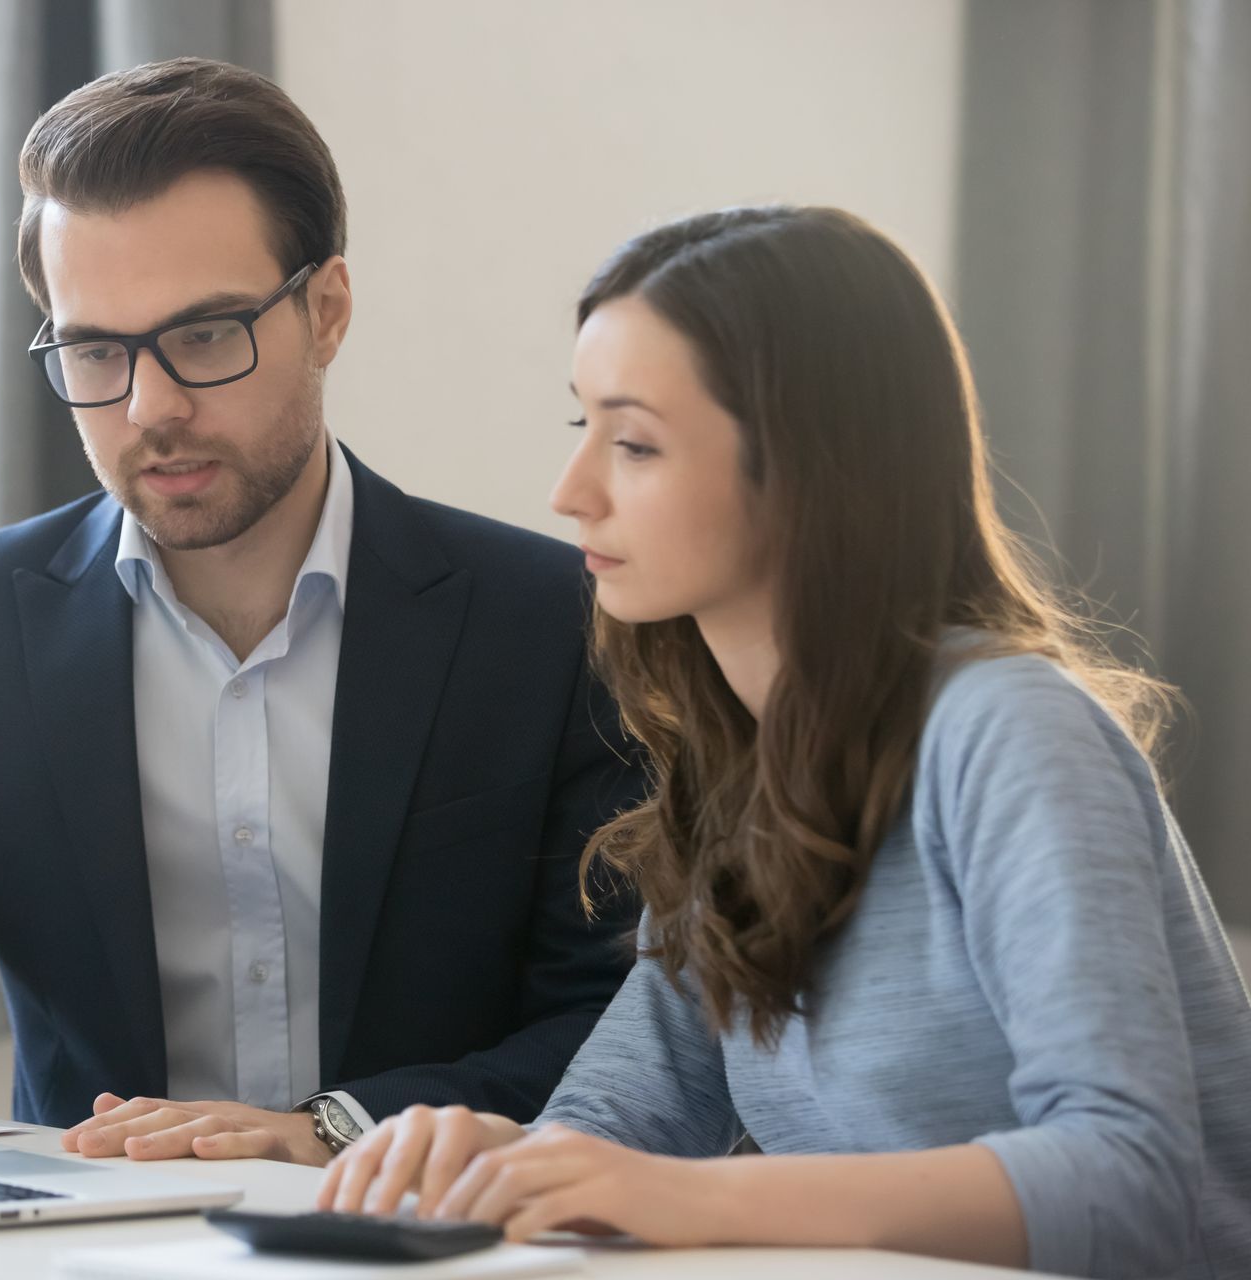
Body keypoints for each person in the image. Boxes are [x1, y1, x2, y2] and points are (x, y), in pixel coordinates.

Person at [316, 205, 1251, 1276]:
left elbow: (1132, 1178)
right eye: (583, 429)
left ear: (808, 467)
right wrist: (501, 1159)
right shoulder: (737, 771)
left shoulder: (1009, 732)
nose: (569, 493)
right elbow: (623, 1128)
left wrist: (701, 1196)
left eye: (634, 442)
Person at [0, 57, 647, 1168]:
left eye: (205, 335)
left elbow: (621, 1028)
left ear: (327, 310)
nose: (152, 406)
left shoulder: (548, 622)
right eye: (97, 350)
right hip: (91, 1248)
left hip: (425, 1235)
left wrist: (330, 1128)